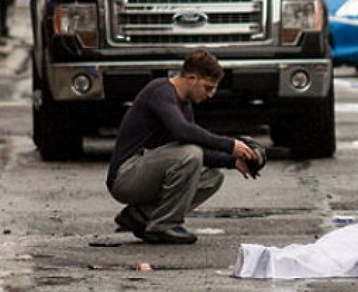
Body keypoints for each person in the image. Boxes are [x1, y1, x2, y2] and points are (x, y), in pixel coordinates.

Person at [106, 48, 258, 244]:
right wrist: (230, 145)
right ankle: (163, 226)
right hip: (125, 177)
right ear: (191, 78)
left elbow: (192, 147)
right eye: (208, 87)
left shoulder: (184, 105)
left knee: (212, 177)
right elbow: (183, 132)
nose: (210, 95)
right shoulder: (160, 91)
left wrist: (233, 162)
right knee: (190, 154)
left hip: (147, 171)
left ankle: (141, 216)